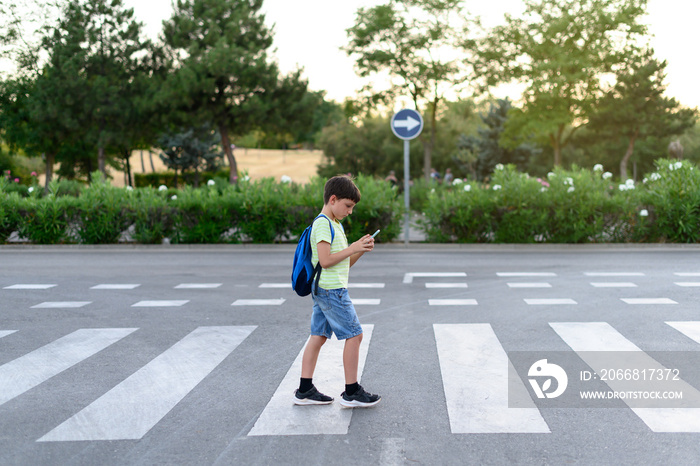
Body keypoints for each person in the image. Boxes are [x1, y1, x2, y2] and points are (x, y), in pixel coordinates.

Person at [294, 175, 381, 408]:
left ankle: (304, 389)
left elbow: (343, 263)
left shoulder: (335, 224)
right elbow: (324, 260)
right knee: (355, 335)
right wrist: (351, 247)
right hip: (332, 291)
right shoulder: (323, 223)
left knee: (319, 336)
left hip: (326, 289)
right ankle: (351, 391)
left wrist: (359, 249)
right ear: (333, 199)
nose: (350, 211)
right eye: (348, 206)